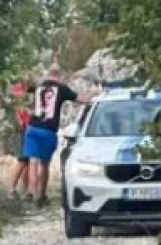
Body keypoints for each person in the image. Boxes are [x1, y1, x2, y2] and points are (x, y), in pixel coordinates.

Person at [23, 60, 97, 206]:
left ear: (49, 74)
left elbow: (26, 88)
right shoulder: (61, 88)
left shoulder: (39, 86)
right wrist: (93, 94)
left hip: (32, 127)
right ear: (60, 75)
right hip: (48, 130)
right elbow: (81, 100)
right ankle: (42, 195)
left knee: (33, 160)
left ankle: (31, 191)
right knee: (44, 164)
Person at [8, 78, 34, 198]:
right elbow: (17, 108)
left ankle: (26, 189)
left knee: (27, 161)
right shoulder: (19, 90)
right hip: (24, 129)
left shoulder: (28, 90)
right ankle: (12, 188)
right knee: (23, 160)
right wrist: (20, 122)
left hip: (29, 128)